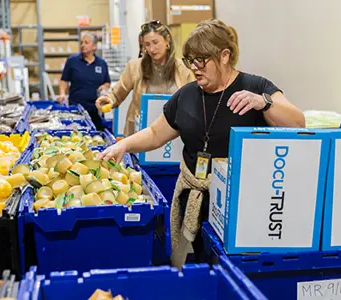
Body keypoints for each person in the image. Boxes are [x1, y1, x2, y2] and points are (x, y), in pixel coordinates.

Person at [98, 19, 305, 267]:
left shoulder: (255, 88)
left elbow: (297, 123)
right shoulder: (187, 94)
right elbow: (155, 133)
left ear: (225, 56)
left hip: (237, 206)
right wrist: (123, 145)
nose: (195, 68)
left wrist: (265, 103)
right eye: (190, 60)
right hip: (193, 198)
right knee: (195, 266)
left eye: (201, 60)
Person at [95, 20, 195, 137]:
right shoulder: (135, 67)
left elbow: (193, 99)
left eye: (155, 42)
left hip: (173, 132)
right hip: (141, 131)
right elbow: (117, 93)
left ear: (167, 40)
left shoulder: (183, 69)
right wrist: (109, 99)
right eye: (147, 44)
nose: (152, 49)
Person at [58, 33, 111, 130]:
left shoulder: (101, 63)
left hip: (95, 109)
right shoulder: (72, 61)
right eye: (81, 42)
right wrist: (62, 94)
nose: (83, 45)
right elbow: (64, 80)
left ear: (94, 46)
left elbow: (107, 82)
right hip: (76, 108)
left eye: (86, 42)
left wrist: (104, 87)